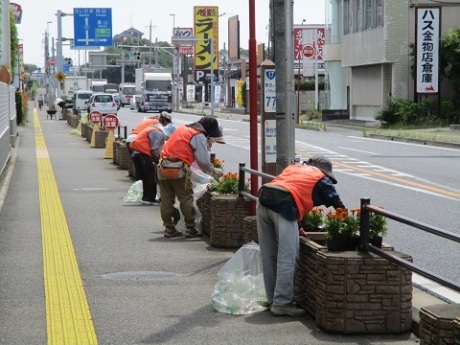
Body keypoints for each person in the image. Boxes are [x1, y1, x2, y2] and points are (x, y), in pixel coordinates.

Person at [256, 155, 346, 317]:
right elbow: (336, 202)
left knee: (268, 254)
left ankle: (272, 299)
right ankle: (282, 303)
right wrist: (348, 224)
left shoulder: (293, 168)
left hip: (264, 198)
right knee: (288, 256)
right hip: (284, 204)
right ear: (324, 171)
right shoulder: (320, 178)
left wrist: (298, 226)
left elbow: (291, 187)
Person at [158, 117, 225, 238]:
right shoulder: (198, 135)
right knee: (186, 198)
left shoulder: (183, 129)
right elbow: (203, 161)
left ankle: (169, 228)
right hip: (178, 168)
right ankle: (190, 228)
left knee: (166, 199)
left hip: (162, 166)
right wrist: (213, 170)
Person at [129, 123, 168, 205]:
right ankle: (150, 198)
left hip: (136, 152)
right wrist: (157, 161)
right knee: (151, 174)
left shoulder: (151, 129)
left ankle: (145, 197)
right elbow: (154, 149)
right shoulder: (159, 133)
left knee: (145, 175)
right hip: (142, 152)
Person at [127, 116, 161, 181]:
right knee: (147, 170)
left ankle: (138, 186)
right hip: (138, 142)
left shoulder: (147, 121)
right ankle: (144, 187)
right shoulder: (157, 124)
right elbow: (154, 145)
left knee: (138, 168)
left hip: (131, 140)